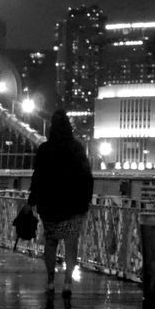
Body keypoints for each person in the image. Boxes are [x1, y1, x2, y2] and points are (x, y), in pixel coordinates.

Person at [26, 110, 94, 296]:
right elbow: (87, 177)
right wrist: (86, 201)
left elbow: (38, 178)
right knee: (71, 244)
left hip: (50, 205)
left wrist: (31, 201)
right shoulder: (77, 148)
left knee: (50, 242)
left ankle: (49, 282)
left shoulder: (44, 149)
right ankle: (67, 283)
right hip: (73, 205)